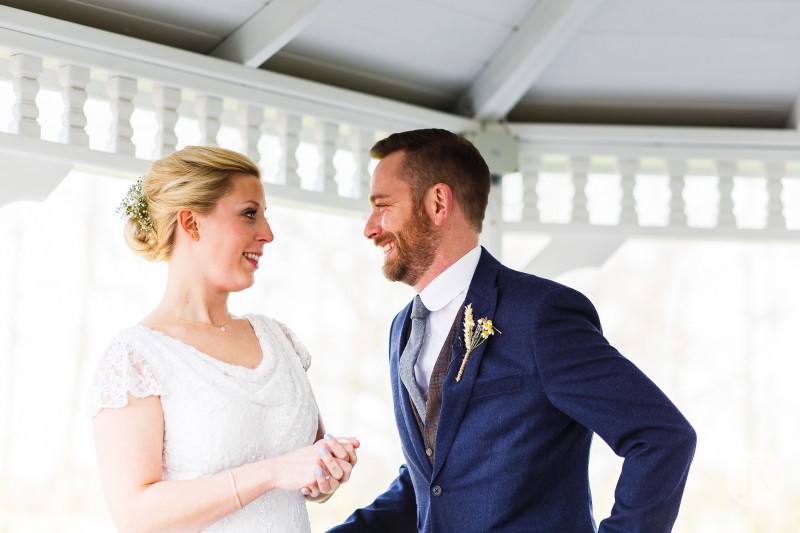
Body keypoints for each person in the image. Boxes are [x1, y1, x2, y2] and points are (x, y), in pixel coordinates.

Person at [329, 129, 696, 532]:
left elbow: (662, 437)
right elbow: (432, 485)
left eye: (383, 206)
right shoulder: (401, 330)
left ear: (437, 203)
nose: (370, 227)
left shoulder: (539, 315)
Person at [87, 146, 359, 532]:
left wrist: (326, 472)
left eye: (264, 216)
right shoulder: (136, 358)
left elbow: (306, 475)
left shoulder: (279, 339)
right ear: (192, 223)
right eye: (250, 213)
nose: (267, 234)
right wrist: (271, 472)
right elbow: (136, 515)